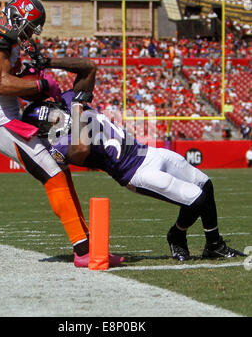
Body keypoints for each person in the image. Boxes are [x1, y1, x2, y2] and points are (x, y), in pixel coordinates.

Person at [0, 0, 123, 268]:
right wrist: (41, 87)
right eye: (29, 27)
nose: (29, 34)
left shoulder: (5, 36)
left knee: (60, 172)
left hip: (7, 118)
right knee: (53, 174)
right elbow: (2, 84)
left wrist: (36, 79)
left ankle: (88, 244)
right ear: (18, 18)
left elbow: (10, 79)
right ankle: (83, 250)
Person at [22, 86, 245, 262]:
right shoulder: (60, 145)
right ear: (43, 129)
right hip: (135, 171)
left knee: (206, 184)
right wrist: (78, 108)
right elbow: (80, 150)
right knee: (198, 198)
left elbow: (87, 68)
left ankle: (214, 245)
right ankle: (177, 234)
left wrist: (47, 63)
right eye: (50, 119)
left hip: (148, 152)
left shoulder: (70, 103)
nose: (56, 117)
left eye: (53, 112)